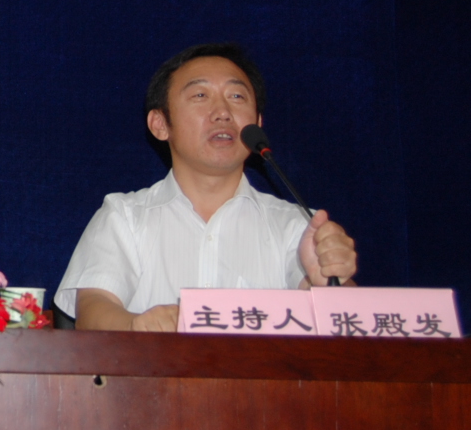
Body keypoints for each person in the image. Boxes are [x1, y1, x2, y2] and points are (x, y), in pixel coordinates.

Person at [55, 43, 358, 332]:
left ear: (257, 122)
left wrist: (329, 283)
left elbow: (351, 329)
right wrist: (135, 326)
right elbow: (93, 308)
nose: (223, 112)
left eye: (237, 96)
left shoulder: (297, 226)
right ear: (160, 124)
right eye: (200, 95)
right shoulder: (124, 216)